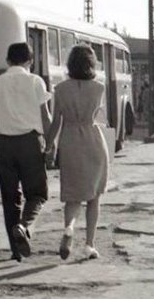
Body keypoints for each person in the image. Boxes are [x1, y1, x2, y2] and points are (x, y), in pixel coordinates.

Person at [0, 42, 52, 262]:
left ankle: (15, 251)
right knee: (38, 194)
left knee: (9, 197)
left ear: (7, 61)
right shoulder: (35, 81)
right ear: (30, 61)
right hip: (30, 142)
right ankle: (24, 226)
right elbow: (46, 117)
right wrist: (50, 144)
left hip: (4, 144)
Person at [44, 45, 109, 261]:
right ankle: (90, 244)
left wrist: (48, 146)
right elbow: (102, 118)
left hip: (70, 141)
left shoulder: (61, 89)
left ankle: (69, 228)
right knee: (94, 197)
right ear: (91, 64)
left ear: (70, 64)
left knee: (72, 196)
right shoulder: (99, 88)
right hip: (93, 140)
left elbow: (55, 122)